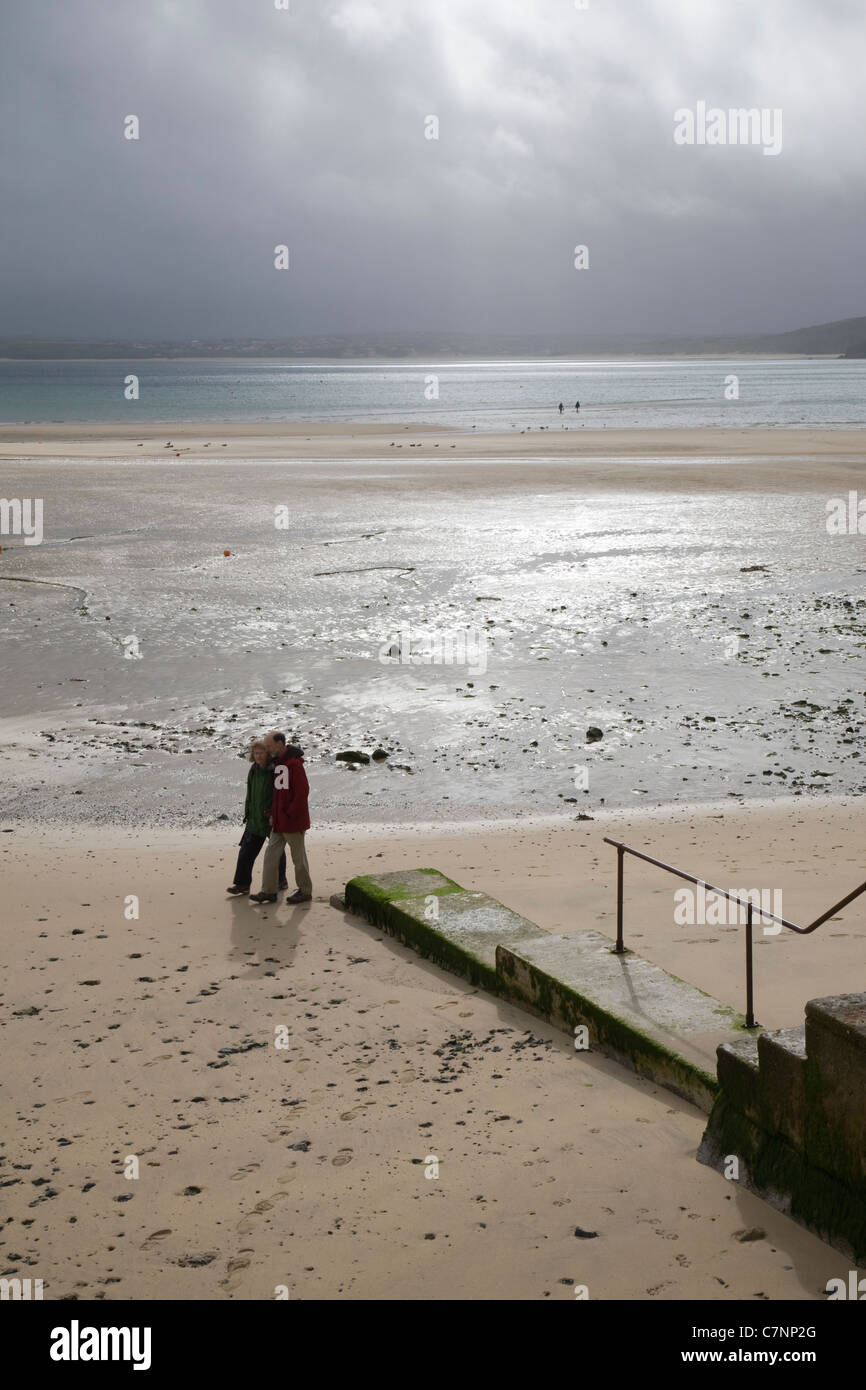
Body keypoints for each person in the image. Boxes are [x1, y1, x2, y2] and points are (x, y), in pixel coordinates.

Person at [250, 732, 312, 905]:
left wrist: (289, 814)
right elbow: (277, 793)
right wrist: (273, 813)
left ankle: (305, 891)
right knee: (270, 856)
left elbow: (302, 793)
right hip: (278, 822)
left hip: (293, 822)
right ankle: (268, 891)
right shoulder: (278, 763)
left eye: (269, 746)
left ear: (280, 743)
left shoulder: (294, 764)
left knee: (298, 859)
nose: (267, 750)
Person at [226, 741, 287, 896]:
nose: (258, 756)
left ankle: (281, 880)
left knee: (277, 852)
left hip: (270, 818)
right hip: (254, 819)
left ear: (267, 753)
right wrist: (248, 812)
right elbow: (250, 793)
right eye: (256, 753)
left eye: (261, 753)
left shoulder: (274, 770)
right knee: (245, 853)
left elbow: (280, 794)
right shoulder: (253, 769)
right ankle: (242, 884)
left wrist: (275, 813)